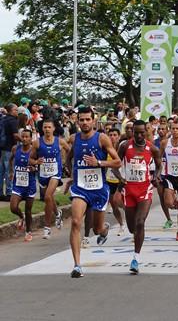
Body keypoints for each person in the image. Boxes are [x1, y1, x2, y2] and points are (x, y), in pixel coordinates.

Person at [66, 106, 121, 278]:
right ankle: (77, 265)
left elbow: (117, 162)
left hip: (99, 189)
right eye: (81, 119)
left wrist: (99, 162)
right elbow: (68, 160)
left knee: (97, 229)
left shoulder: (102, 138)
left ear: (93, 121)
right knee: (76, 222)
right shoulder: (73, 139)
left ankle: (104, 230)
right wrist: (72, 176)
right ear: (77, 121)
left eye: (87, 119)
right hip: (80, 188)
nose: (84, 122)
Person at [113, 120, 161, 274]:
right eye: (136, 132)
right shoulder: (125, 146)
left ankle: (136, 258)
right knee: (132, 227)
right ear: (132, 132)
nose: (139, 135)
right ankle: (137, 239)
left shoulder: (152, 148)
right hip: (129, 190)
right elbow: (115, 164)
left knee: (140, 222)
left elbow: (159, 165)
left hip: (145, 190)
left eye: (142, 132)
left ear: (146, 132)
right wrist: (120, 178)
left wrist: (156, 177)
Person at [29, 119, 70, 239]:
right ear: (42, 129)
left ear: (53, 129)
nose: (47, 129)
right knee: (50, 197)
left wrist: (66, 163)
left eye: (49, 127)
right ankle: (58, 213)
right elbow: (30, 159)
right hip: (43, 174)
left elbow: (70, 151)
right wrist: (36, 161)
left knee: (47, 196)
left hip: (55, 174)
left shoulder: (60, 142)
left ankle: (47, 228)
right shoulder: (37, 143)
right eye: (45, 127)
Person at [9, 129, 36, 242]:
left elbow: (38, 166)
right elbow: (11, 160)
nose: (24, 139)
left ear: (31, 139)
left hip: (30, 185)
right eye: (23, 137)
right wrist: (11, 171)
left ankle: (28, 232)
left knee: (28, 210)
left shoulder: (34, 151)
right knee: (13, 207)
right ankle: (21, 217)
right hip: (18, 185)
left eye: (27, 137)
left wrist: (34, 169)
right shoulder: (16, 149)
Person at [106, 128, 125, 236]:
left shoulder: (121, 148)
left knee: (121, 202)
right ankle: (121, 224)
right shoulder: (106, 149)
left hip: (120, 179)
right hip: (109, 180)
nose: (112, 137)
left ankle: (132, 219)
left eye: (114, 135)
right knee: (114, 205)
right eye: (110, 135)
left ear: (118, 136)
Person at [155, 123, 173, 229]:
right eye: (159, 129)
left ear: (167, 130)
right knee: (161, 195)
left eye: (163, 129)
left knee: (170, 200)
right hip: (160, 173)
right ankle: (168, 219)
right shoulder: (155, 143)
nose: (161, 131)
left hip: (171, 173)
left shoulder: (172, 142)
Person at [0, 103, 20, 202]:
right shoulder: (13, 120)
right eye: (16, 110)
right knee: (9, 170)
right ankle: (8, 192)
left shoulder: (3, 119)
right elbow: (16, 135)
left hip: (2, 147)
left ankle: (0, 193)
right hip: (10, 148)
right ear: (11, 111)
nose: (17, 111)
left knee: (2, 171)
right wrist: (26, 140)